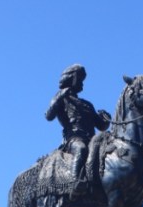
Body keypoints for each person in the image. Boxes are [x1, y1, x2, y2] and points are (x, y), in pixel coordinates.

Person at [45, 64, 111, 193]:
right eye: (80, 79)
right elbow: (49, 116)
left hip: (92, 139)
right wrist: (59, 97)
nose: (82, 83)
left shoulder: (87, 104)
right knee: (81, 149)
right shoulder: (62, 98)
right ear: (72, 79)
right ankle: (75, 182)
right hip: (74, 138)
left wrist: (106, 119)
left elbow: (101, 126)